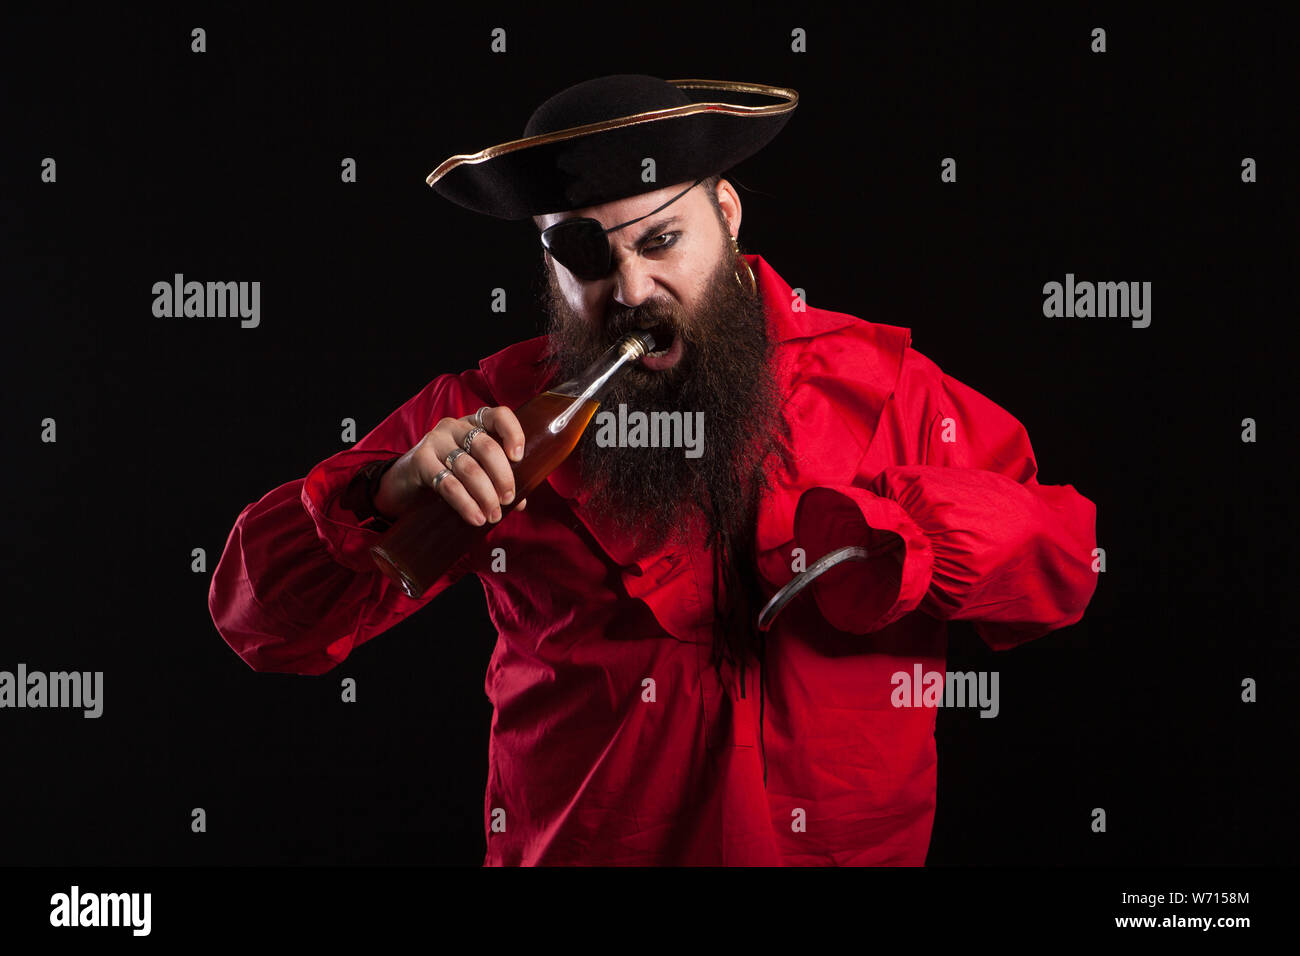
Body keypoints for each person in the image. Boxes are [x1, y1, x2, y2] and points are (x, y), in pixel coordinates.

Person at [208, 75, 1099, 865]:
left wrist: (917, 537)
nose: (630, 290)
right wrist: (381, 494)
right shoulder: (492, 412)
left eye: (662, 239)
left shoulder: (890, 389)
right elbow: (261, 624)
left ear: (729, 215)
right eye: (585, 256)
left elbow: (1062, 569)